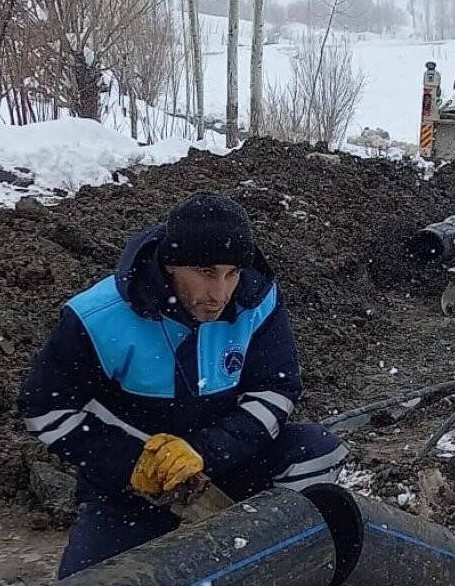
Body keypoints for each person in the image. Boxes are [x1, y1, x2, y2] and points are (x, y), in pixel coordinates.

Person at [19, 193, 349, 578]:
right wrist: (133, 463)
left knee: (316, 452)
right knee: (88, 578)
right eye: (206, 273)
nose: (220, 294)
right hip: (132, 489)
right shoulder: (97, 317)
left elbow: (276, 390)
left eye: (232, 273)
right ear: (172, 265)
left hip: (227, 465)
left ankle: (287, 563)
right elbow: (44, 409)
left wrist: (205, 451)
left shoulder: (256, 301)